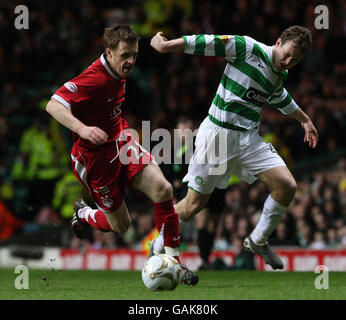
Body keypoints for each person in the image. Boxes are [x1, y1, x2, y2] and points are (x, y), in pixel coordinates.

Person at [149, 25, 318, 270]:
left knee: (287, 185)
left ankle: (258, 240)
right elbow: (206, 42)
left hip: (248, 139)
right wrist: (167, 46)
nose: (289, 61)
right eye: (289, 53)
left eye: (296, 60)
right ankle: (159, 244)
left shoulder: (280, 75)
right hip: (217, 136)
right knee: (193, 205)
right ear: (279, 42)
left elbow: (280, 97)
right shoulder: (247, 48)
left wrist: (305, 120)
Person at [45, 23, 197, 285]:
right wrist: (83, 128)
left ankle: (175, 262)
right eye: (125, 55)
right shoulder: (93, 78)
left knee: (163, 190)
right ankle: (83, 214)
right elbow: (53, 104)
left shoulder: (119, 70)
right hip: (94, 159)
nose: (130, 61)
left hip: (121, 141)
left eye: (134, 55)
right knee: (121, 226)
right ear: (109, 52)